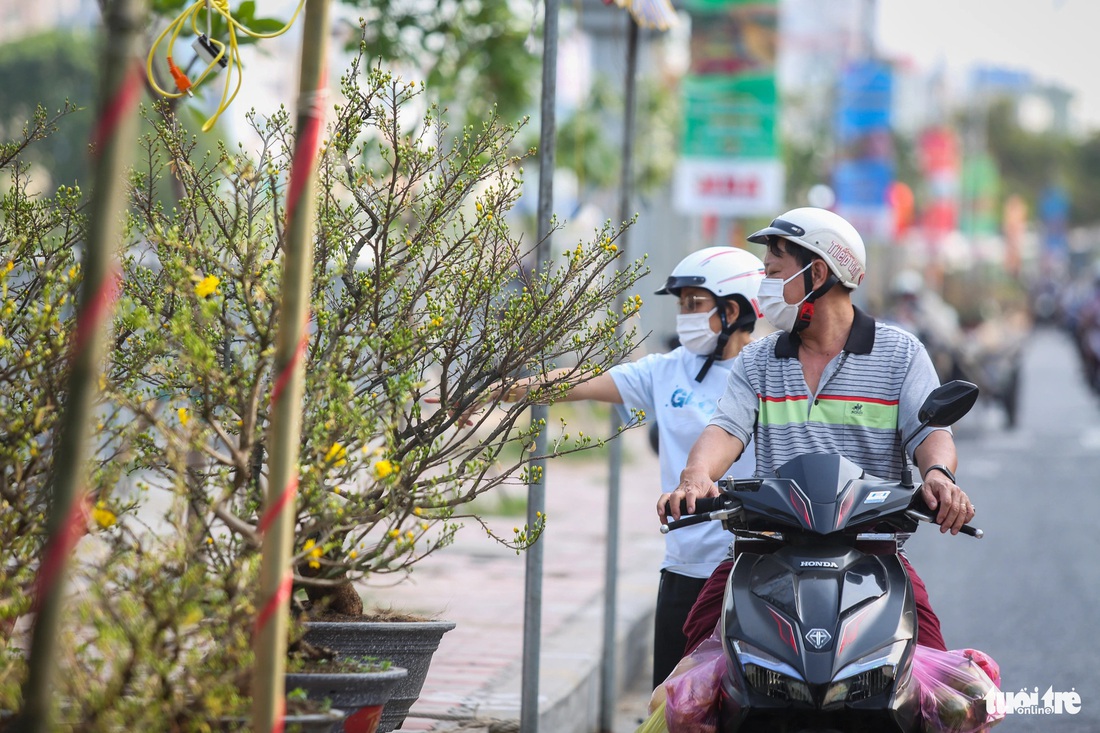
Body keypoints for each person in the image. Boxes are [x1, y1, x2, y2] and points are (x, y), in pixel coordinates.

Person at [657, 207, 976, 656]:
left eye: (774, 273)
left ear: (818, 272)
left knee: (940, 693)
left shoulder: (900, 354)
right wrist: (695, 475)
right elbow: (725, 429)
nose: (764, 287)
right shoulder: (759, 359)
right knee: (686, 686)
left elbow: (930, 432)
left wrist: (939, 475)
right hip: (765, 555)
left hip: (873, 557)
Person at [498, 247, 765, 688]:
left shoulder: (769, 373)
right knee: (671, 700)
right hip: (686, 568)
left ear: (732, 309)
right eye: (680, 305)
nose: (684, 316)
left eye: (694, 304)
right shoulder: (667, 370)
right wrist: (496, 391)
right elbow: (575, 383)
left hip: (755, 568)